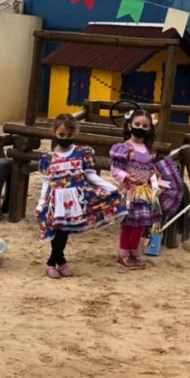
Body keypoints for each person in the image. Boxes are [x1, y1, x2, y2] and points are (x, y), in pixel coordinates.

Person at [36, 114, 126, 277]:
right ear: (54, 132)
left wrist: (111, 188)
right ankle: (56, 263)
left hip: (76, 199)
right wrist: (41, 202)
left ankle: (55, 263)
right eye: (61, 135)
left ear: (74, 134)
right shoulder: (48, 158)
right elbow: (46, 181)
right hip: (57, 200)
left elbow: (91, 176)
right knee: (58, 231)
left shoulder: (81, 153)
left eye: (69, 135)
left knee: (64, 232)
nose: (65, 138)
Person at [110, 109, 163, 269]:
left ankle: (135, 250)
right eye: (137, 124)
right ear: (129, 125)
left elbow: (150, 169)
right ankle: (123, 252)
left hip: (145, 192)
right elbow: (115, 168)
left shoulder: (149, 151)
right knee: (127, 222)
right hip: (129, 191)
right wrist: (126, 177)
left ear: (149, 129)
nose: (140, 127)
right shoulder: (124, 148)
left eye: (145, 125)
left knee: (141, 223)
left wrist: (155, 179)